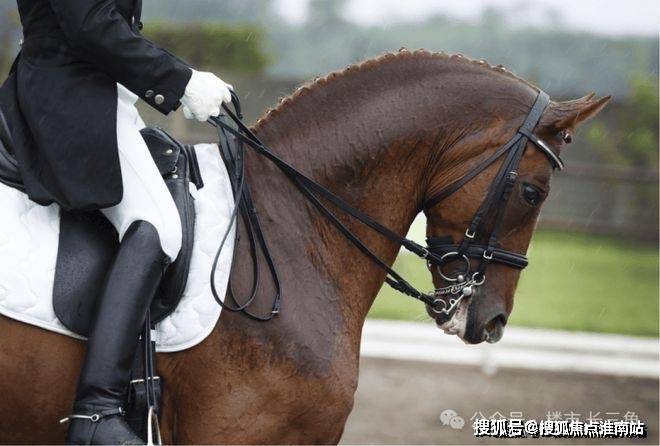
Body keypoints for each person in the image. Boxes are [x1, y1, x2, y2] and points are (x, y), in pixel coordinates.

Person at [0, 0, 231, 443]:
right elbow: (90, 23)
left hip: (96, 89)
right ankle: (96, 413)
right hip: (71, 95)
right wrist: (181, 81)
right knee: (157, 225)